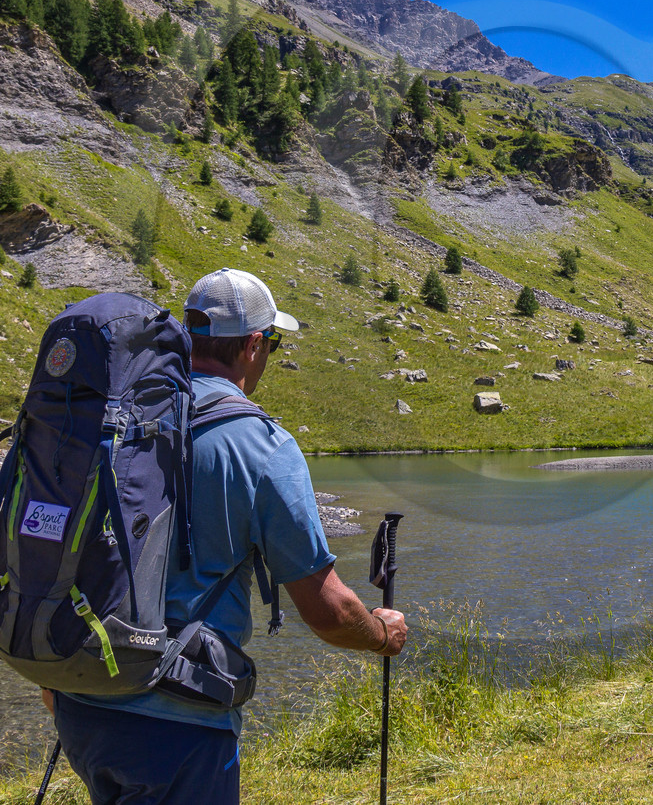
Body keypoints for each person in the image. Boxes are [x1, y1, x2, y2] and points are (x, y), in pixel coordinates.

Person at [45, 268, 408, 805]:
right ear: (254, 345)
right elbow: (329, 612)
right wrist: (380, 634)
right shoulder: (260, 444)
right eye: (273, 343)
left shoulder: (118, 412)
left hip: (80, 698)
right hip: (179, 719)